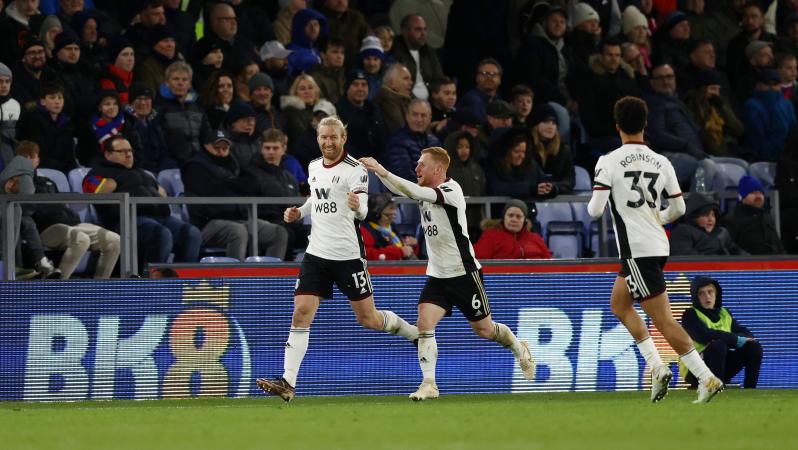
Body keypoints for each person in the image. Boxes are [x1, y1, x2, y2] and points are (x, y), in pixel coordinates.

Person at [255, 116, 419, 402]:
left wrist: (357, 207)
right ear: (318, 139)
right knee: (301, 313)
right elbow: (316, 201)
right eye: (324, 137)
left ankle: (413, 333)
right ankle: (287, 382)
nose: (328, 142)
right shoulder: (314, 166)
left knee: (368, 319)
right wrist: (299, 213)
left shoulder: (355, 170)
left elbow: (364, 210)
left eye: (334, 137)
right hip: (316, 253)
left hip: (347, 256)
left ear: (343, 138)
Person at [360, 148, 536, 401]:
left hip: (464, 273)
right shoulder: (425, 190)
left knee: (485, 330)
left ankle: (520, 348)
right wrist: (380, 171)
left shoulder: (451, 192)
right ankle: (429, 384)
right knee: (425, 324)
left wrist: (381, 170)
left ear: (438, 170)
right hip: (438, 275)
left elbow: (412, 191)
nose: (417, 169)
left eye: (422, 165)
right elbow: (408, 190)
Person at [586, 96, 723, 403]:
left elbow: (595, 211)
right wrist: (654, 219)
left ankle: (706, 377)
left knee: (663, 319)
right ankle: (657, 367)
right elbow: (679, 207)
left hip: (637, 249)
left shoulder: (607, 161)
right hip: (657, 244)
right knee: (619, 305)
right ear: (645, 125)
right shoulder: (662, 161)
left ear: (617, 126)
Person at [84, 134, 201, 272]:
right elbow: (92, 190)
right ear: (108, 155)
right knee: (160, 234)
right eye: (122, 151)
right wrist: (114, 183)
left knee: (191, 233)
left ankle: (179, 279)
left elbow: (162, 193)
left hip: (160, 217)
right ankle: (150, 282)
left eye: (130, 151)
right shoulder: (97, 172)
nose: (128, 155)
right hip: (127, 220)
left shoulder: (141, 172)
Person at [182, 129, 289, 261]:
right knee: (238, 232)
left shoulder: (232, 164)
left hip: (237, 218)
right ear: (206, 146)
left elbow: (252, 184)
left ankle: (270, 279)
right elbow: (211, 197)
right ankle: (237, 279)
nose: (221, 153)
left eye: (225, 148)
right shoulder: (196, 167)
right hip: (207, 223)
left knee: (278, 233)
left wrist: (231, 187)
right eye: (217, 148)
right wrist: (232, 187)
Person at [18, 141, 120, 279]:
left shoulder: (47, 182)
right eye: (25, 156)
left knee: (114, 240)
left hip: (70, 223)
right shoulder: (17, 183)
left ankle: (99, 288)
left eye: (32, 156)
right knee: (80, 239)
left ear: (38, 160)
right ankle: (59, 287)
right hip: (45, 228)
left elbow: (61, 205)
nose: (29, 160)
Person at [681, 276, 763, 389]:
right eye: (701, 293)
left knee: (754, 346)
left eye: (710, 292)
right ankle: (717, 388)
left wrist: (741, 339)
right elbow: (706, 335)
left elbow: (745, 333)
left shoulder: (724, 312)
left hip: (720, 364)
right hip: (694, 369)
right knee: (718, 345)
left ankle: (750, 390)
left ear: (716, 294)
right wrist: (735, 340)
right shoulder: (689, 315)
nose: (707, 296)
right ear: (695, 297)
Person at [670, 192, 747, 256]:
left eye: (713, 215)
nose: (710, 219)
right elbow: (686, 259)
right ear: (694, 216)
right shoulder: (683, 231)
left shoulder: (721, 233)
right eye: (706, 215)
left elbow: (737, 252)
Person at [724, 175, 785, 255]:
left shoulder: (767, 217)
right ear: (742, 197)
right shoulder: (731, 220)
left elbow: (779, 247)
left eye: (761, 193)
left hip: (774, 264)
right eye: (753, 193)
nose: (758, 196)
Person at [474, 199, 551, 260]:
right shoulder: (490, 236)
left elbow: (550, 263)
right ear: (504, 217)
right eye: (510, 215)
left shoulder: (535, 238)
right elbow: (479, 263)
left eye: (518, 216)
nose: (514, 219)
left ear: (525, 220)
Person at [359, 192, 419, 261]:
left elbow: (407, 255)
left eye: (394, 215)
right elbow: (367, 255)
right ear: (376, 214)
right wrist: (399, 252)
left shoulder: (391, 226)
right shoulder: (365, 230)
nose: (392, 218)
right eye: (388, 215)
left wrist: (412, 246)